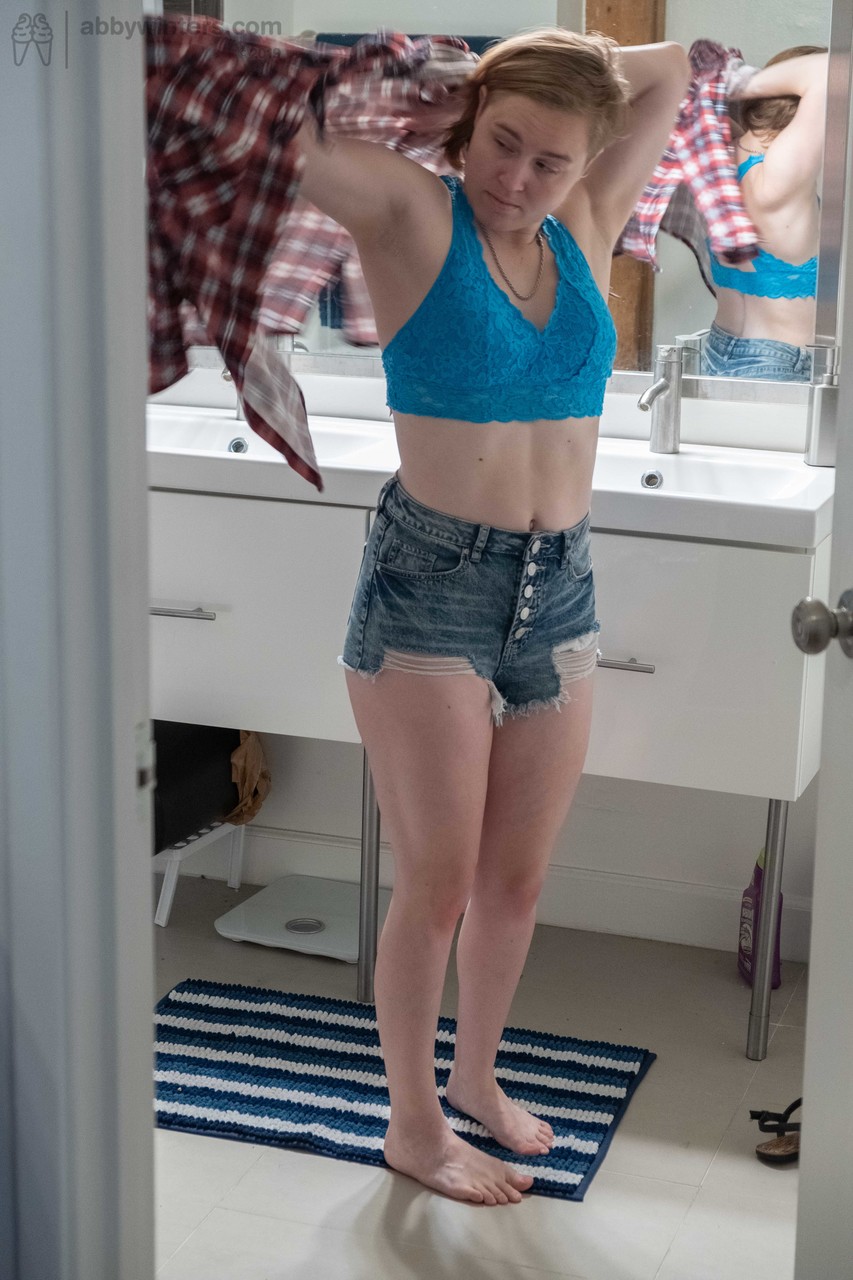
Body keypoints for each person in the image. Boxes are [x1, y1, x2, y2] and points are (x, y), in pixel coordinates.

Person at [297, 27, 689, 1206]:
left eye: (550, 158)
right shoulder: (416, 217)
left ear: (586, 163)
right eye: (500, 142)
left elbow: (670, 69)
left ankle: (475, 1075)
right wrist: (449, 82)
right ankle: (412, 1123)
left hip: (560, 585)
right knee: (437, 880)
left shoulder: (585, 222)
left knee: (515, 880)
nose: (516, 177)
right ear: (470, 126)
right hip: (432, 585)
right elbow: (274, 132)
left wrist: (557, 66)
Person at [703, 46, 828, 381]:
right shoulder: (780, 175)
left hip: (719, 349)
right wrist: (738, 80)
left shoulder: (721, 154)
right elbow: (828, 71)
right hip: (775, 365)